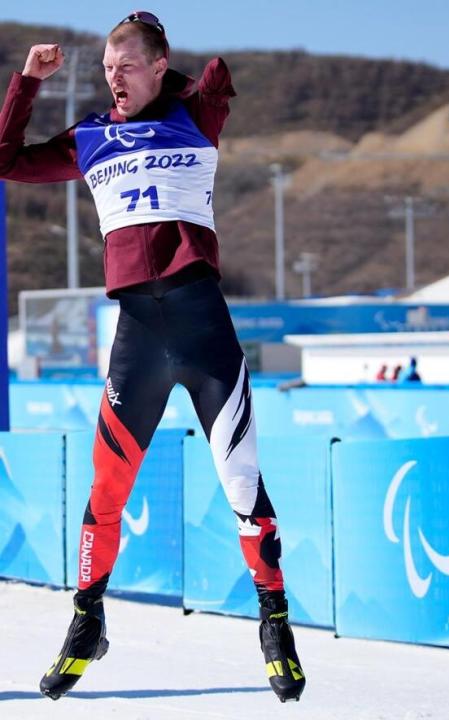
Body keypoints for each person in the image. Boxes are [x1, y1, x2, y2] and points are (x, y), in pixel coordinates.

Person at [0, 12, 304, 702]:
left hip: (202, 329)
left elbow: (220, 76)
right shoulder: (88, 136)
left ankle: (275, 623)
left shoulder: (196, 112)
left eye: (129, 65)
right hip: (138, 332)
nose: (115, 78)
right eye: (108, 68)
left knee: (241, 485)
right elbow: (4, 158)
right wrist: (27, 83)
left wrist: (163, 88)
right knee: (106, 490)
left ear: (160, 67)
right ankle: (86, 620)